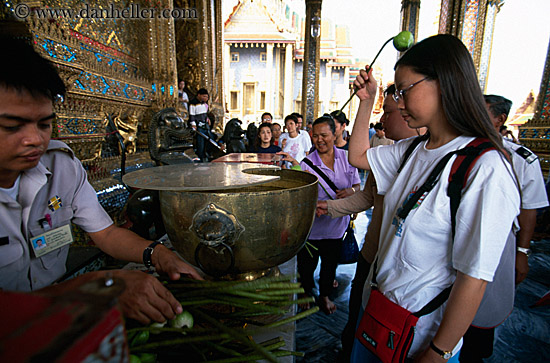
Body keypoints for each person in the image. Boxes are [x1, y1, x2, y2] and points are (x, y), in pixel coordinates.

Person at [0, 37, 202, 325]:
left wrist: (157, 254)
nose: (35, 139)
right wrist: (94, 290)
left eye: (44, 124)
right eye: (12, 126)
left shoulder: (60, 165)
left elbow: (106, 234)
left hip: (59, 325)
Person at [347, 34, 520, 362]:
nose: (398, 103)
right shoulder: (413, 150)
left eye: (404, 90)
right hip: (379, 316)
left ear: (444, 82)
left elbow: (474, 275)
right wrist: (365, 102)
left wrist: (438, 352)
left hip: (420, 337)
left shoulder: (483, 167)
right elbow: (358, 156)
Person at [318, 84, 425, 362]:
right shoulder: (397, 151)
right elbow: (368, 196)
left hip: (404, 274)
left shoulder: (436, 158)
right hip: (372, 257)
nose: (383, 120)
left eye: (389, 112)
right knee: (358, 321)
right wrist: (329, 207)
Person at [459, 95, 549, 363]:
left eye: (482, 111)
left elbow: (529, 209)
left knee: (482, 308)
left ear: (500, 120)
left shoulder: (521, 159)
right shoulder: (457, 149)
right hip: (456, 240)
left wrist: (522, 251)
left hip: (496, 245)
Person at [278, 115, 360, 314]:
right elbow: (301, 196)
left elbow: (357, 186)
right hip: (313, 227)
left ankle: (323, 295)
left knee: (330, 265)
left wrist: (351, 192)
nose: (320, 140)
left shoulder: (348, 158)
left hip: (337, 225)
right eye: (316, 136)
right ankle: (306, 292)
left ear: (335, 134)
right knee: (307, 265)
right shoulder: (306, 165)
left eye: (325, 135)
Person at [189, 88, 211, 162]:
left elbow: (205, 114)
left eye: (206, 97)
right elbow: (192, 115)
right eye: (204, 96)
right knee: (200, 142)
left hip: (204, 125)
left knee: (207, 140)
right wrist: (193, 124)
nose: (205, 98)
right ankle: (200, 156)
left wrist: (207, 119)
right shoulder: (193, 103)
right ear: (199, 95)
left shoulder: (204, 104)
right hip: (198, 125)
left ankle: (206, 154)